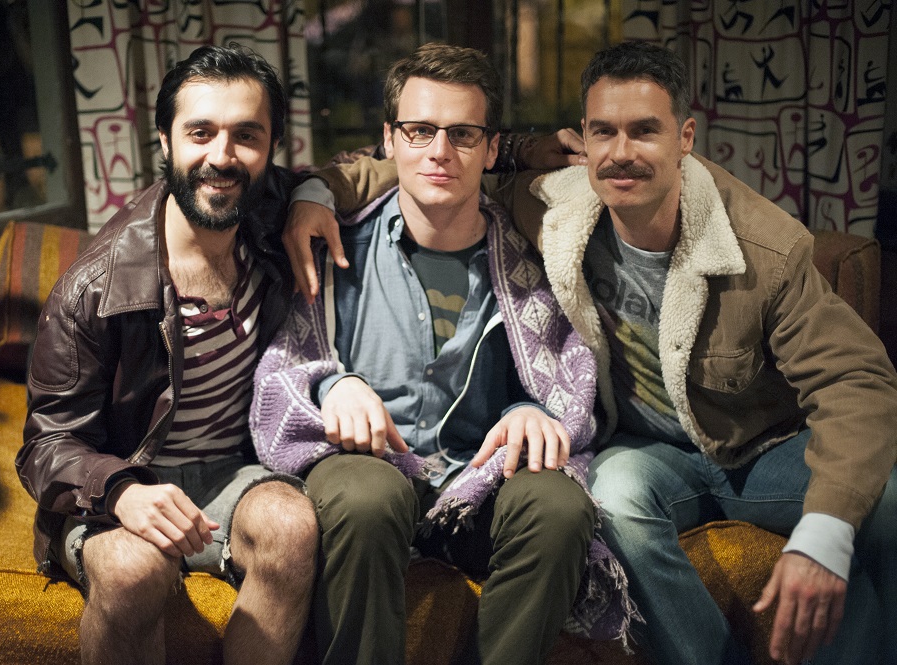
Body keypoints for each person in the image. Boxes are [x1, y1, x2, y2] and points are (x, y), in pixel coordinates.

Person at [283, 40, 897, 665]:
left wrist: (826, 532)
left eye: (645, 130)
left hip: (760, 446)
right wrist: (314, 194)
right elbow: (422, 167)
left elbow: (857, 380)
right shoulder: (553, 206)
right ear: (584, 138)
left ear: (685, 137)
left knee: (886, 500)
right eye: (604, 131)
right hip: (647, 453)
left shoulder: (764, 247)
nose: (622, 152)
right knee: (614, 502)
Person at [249, 43, 638, 665]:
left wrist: (534, 411)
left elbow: (564, 377)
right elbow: (284, 368)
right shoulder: (330, 244)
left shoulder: (537, 252)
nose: (439, 151)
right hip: (367, 467)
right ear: (390, 139)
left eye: (462, 134)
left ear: (491, 149)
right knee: (365, 499)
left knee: (560, 508)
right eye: (420, 130)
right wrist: (332, 385)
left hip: (482, 479)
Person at [16, 44, 319, 665]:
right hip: (121, 477)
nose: (222, 157)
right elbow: (45, 445)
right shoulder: (94, 287)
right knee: (133, 572)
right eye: (200, 133)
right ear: (165, 139)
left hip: (228, 472)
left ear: (271, 148)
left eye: (246, 135)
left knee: (293, 526)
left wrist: (317, 194)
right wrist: (120, 491)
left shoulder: (267, 216)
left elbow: (386, 160)